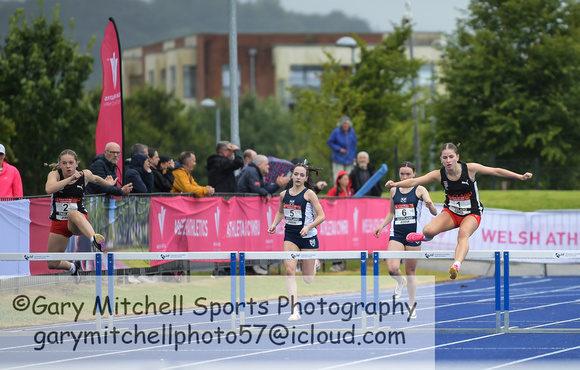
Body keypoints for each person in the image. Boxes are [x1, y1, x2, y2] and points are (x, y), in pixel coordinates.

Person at [385, 143, 533, 279]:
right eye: (445, 158)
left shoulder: (470, 169)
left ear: (457, 157)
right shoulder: (439, 174)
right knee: (428, 230)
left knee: (463, 234)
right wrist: (395, 184)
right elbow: (414, 181)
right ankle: (427, 237)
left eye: (451, 157)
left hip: (472, 213)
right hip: (452, 212)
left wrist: (519, 176)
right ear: (441, 160)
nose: (448, 160)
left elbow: (496, 171)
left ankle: (456, 265)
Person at [374, 161, 437, 318]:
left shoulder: (420, 189)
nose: (405, 176)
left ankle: (411, 305)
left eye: (408, 174)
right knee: (391, 268)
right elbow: (391, 212)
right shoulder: (394, 190)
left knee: (411, 272)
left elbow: (435, 211)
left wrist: (429, 205)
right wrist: (382, 226)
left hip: (413, 235)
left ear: (414, 174)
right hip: (397, 234)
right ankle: (400, 281)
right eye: (402, 173)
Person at [45, 149, 118, 282]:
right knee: (52, 263)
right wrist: (70, 179)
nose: (68, 166)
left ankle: (95, 239)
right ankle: (73, 267)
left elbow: (96, 179)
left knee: (72, 213)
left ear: (76, 163)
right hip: (59, 222)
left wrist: (110, 183)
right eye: (64, 163)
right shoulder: (54, 175)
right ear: (59, 165)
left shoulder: (85, 175)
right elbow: (49, 189)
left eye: (71, 163)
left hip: (78, 221)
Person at [267, 162, 325, 321]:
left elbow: (321, 216)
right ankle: (294, 310)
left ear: (306, 178)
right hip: (291, 236)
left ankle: (315, 264)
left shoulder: (309, 194)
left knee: (308, 279)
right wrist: (274, 224)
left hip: (308, 237)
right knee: (289, 271)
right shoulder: (284, 194)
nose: (298, 177)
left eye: (301, 175)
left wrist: (308, 227)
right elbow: (280, 212)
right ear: (292, 175)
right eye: (296, 174)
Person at [326, 170, 354, 271]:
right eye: (344, 179)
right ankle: (335, 263)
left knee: (343, 241)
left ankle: (341, 262)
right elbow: (327, 201)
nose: (346, 181)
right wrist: (336, 204)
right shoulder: (335, 190)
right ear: (339, 180)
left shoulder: (349, 190)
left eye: (348, 179)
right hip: (337, 219)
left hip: (346, 219)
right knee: (336, 241)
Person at [327, 116, 357, 183]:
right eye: (343, 123)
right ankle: (337, 192)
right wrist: (339, 149)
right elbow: (330, 142)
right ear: (340, 124)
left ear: (349, 124)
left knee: (349, 177)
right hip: (338, 159)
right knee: (338, 177)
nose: (345, 125)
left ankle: (347, 192)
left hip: (349, 159)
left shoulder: (352, 132)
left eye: (347, 123)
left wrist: (354, 156)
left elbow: (354, 146)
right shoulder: (336, 132)